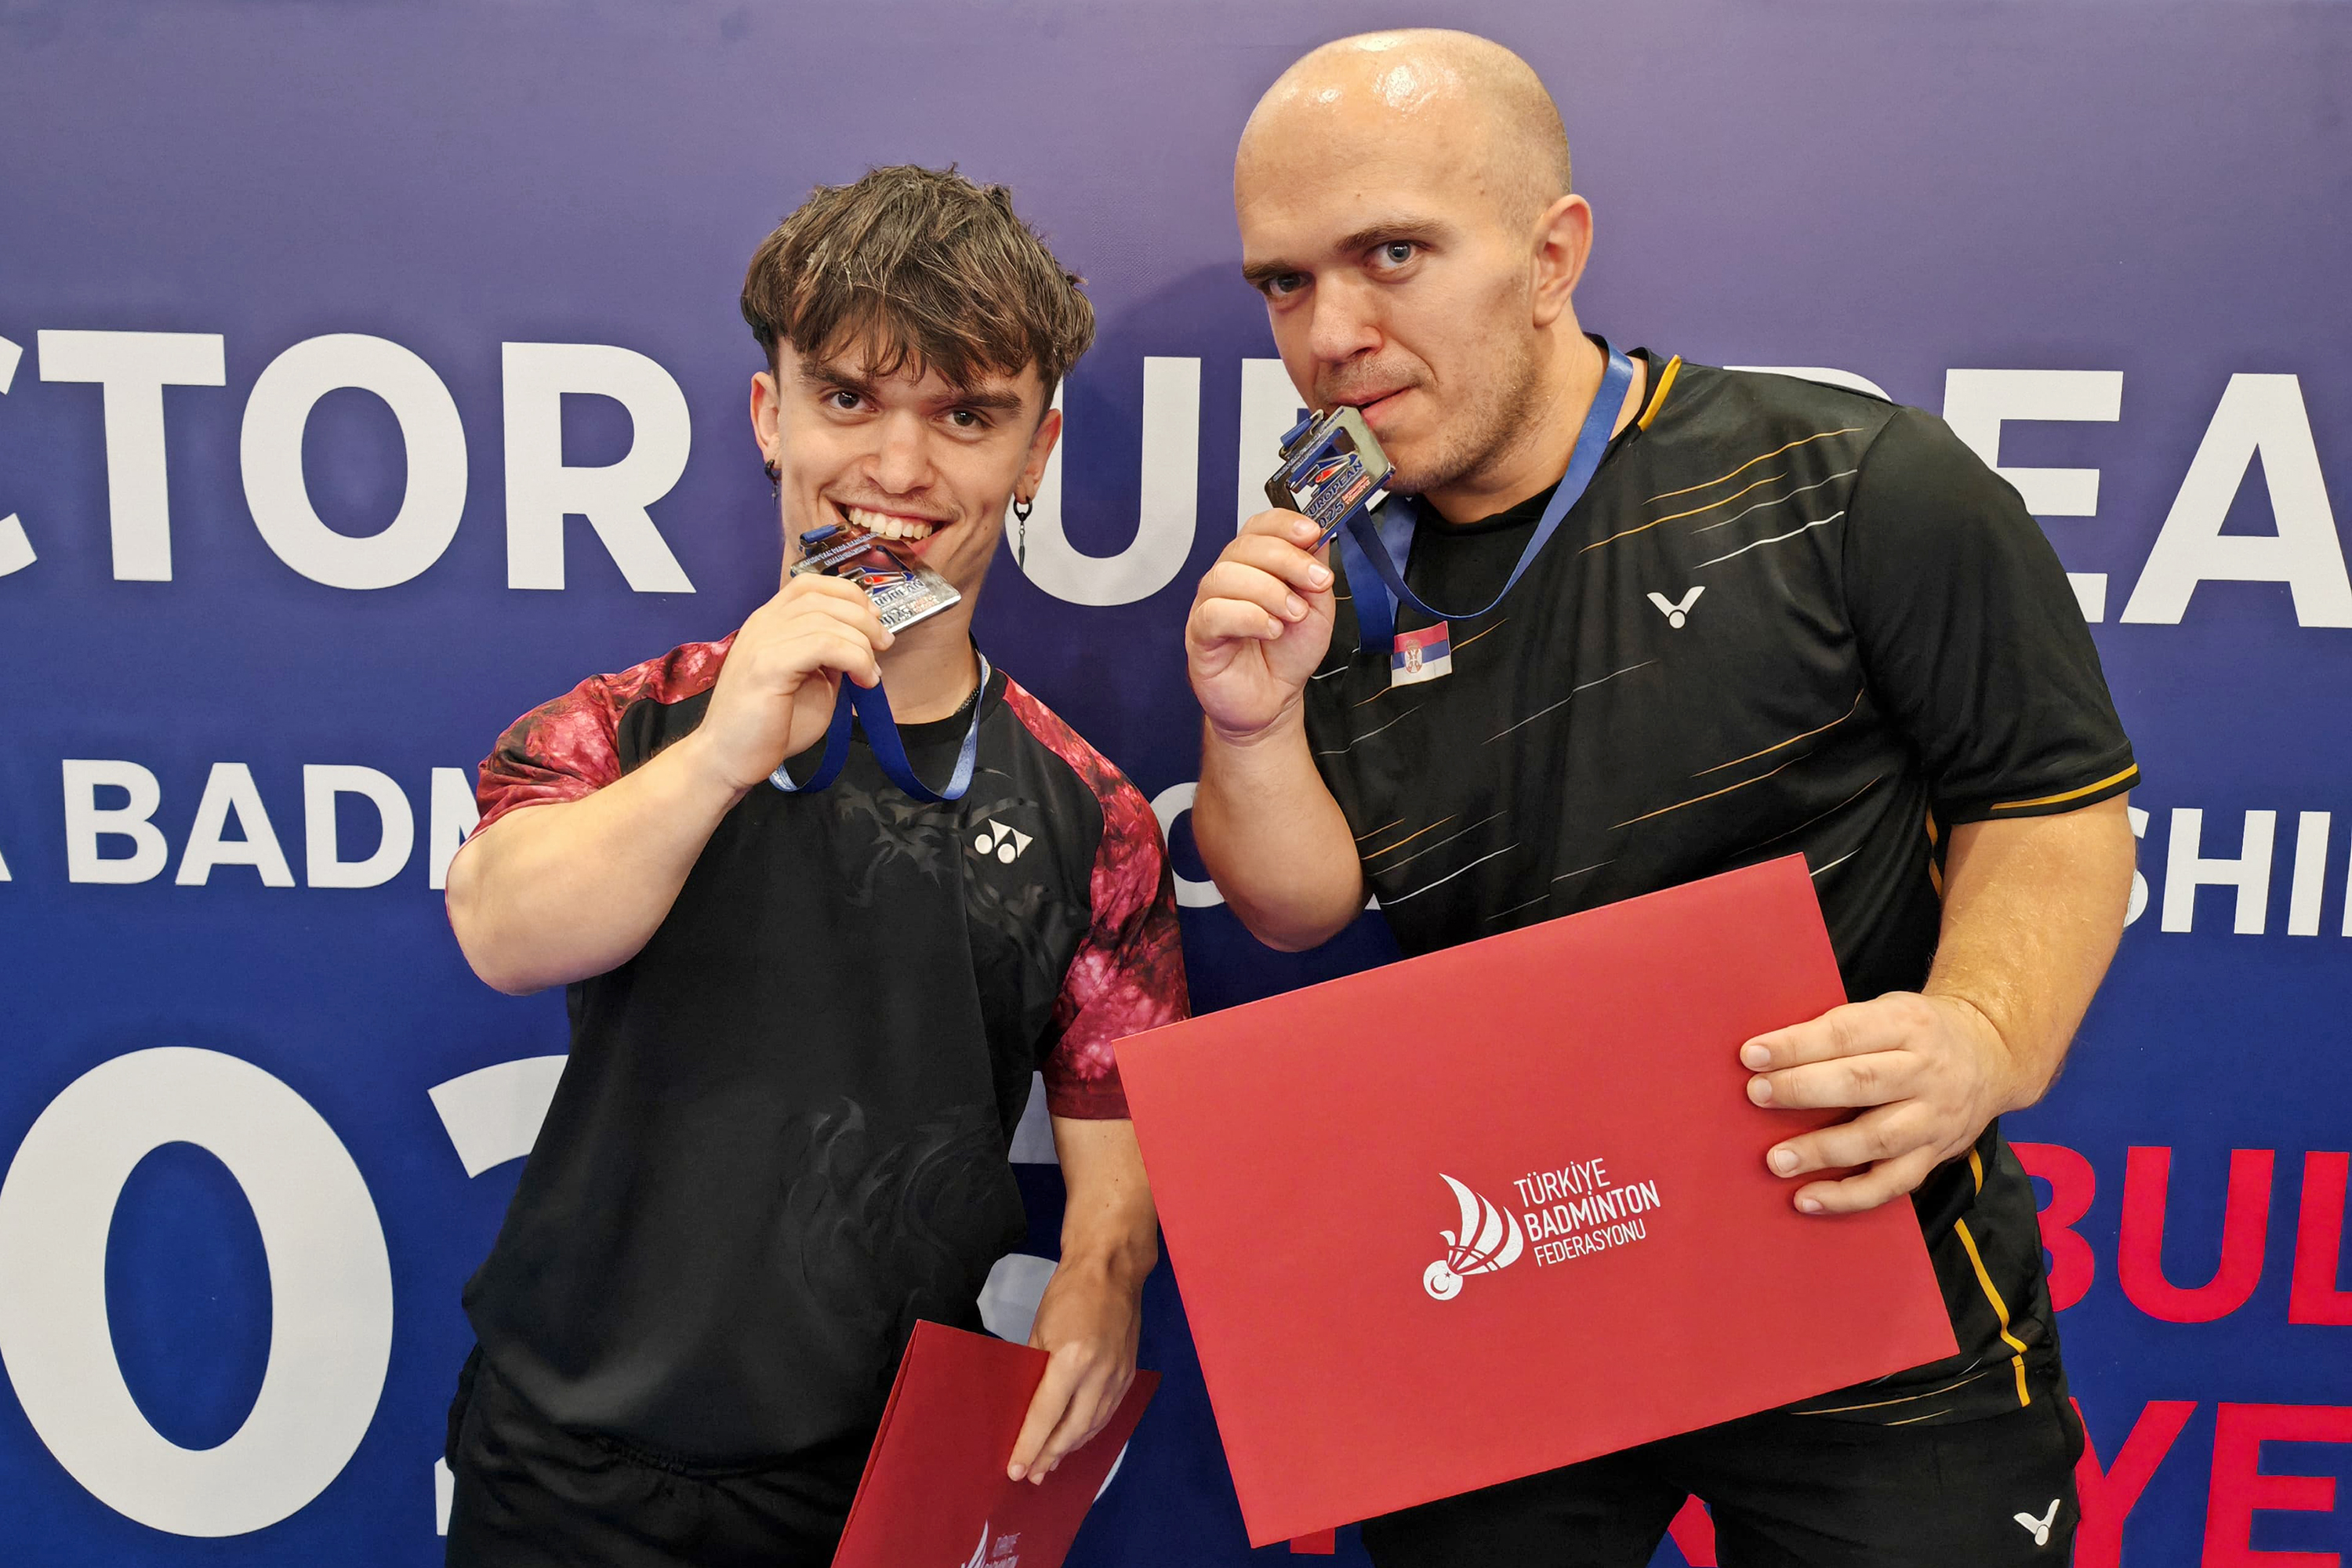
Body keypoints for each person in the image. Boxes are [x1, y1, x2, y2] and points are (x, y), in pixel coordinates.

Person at [1188, 30, 2136, 1567]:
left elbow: (2048, 805)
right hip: (1506, 1275)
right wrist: (1248, 726)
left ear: (1552, 254)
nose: (1333, 333)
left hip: (1859, 1263)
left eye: (1393, 255)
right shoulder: (1319, 566)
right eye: (1285, 282)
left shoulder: (1855, 480)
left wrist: (1981, 1035)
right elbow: (1303, 907)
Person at [441, 165, 1185, 1567]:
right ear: (769, 414)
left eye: (966, 415)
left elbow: (1117, 1138)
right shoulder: (623, 723)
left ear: (1037, 452)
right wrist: (725, 752)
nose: (899, 471)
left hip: (886, 1481)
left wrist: (1105, 1278)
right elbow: (502, 932)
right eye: (849, 398)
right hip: (565, 1460)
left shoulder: (1095, 815)